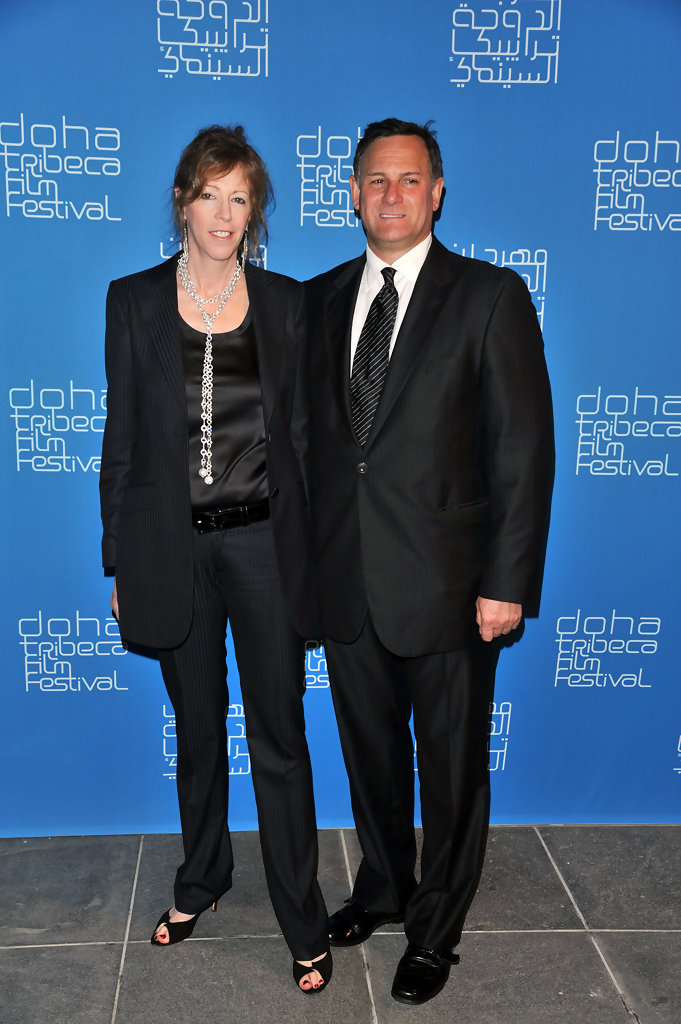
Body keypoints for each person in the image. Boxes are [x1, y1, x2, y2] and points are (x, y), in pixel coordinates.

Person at [305, 118, 554, 1005]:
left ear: (437, 192)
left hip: (452, 588)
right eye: (376, 179)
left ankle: (435, 927)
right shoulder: (318, 299)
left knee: (449, 768)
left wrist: (505, 583)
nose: (392, 195)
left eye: (409, 180)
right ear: (352, 192)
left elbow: (521, 449)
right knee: (369, 758)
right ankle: (383, 886)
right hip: (347, 583)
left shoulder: (488, 295)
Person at [100, 124, 331, 994]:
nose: (225, 214)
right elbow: (121, 441)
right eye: (210, 195)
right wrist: (119, 559)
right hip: (171, 550)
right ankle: (202, 879)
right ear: (182, 202)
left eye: (240, 197)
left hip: (265, 547)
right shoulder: (132, 301)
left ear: (255, 208)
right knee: (197, 734)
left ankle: (301, 916)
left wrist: (315, 556)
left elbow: (304, 444)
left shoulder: (286, 304)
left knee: (280, 737)